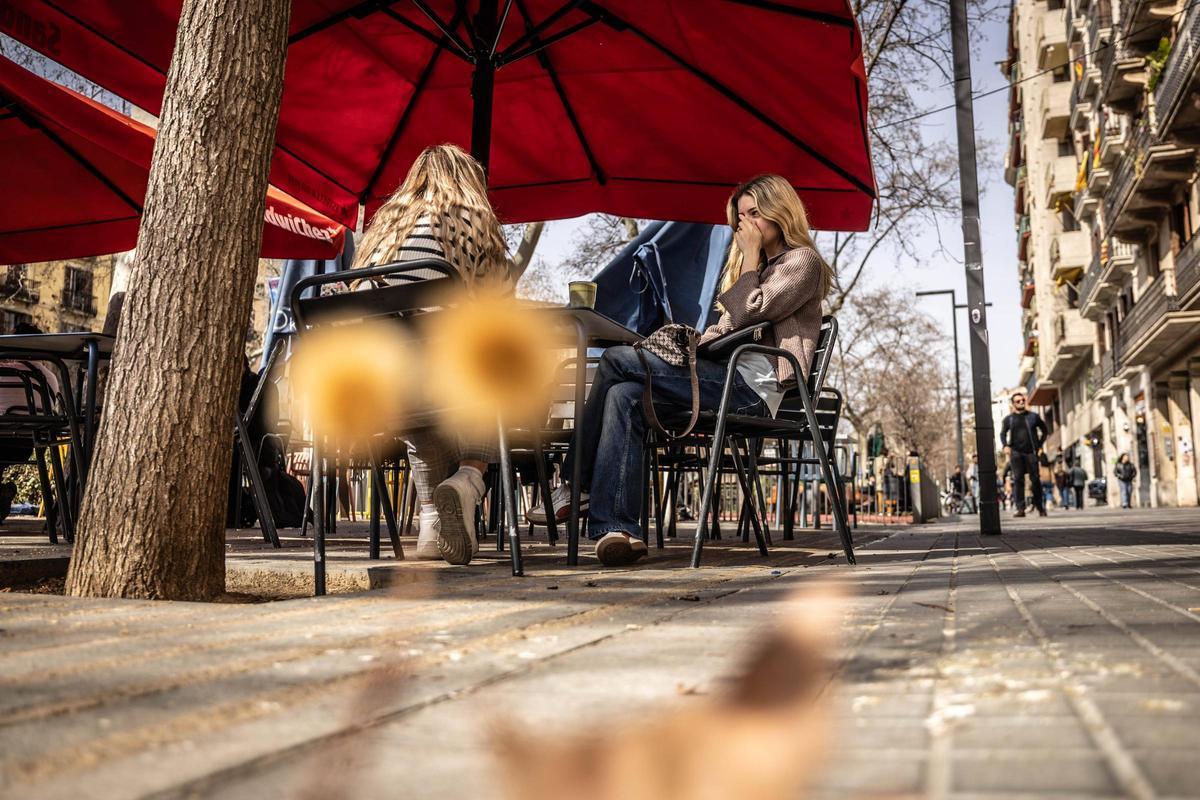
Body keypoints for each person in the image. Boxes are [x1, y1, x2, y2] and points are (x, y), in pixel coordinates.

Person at [534, 174, 830, 566]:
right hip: (723, 378)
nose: (746, 226)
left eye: (755, 213)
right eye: (741, 218)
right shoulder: (752, 270)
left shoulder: (800, 262)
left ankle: (574, 485)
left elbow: (750, 311)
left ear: (781, 210)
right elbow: (729, 327)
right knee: (624, 395)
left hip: (751, 391)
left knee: (614, 360)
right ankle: (617, 529)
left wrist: (750, 261)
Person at [352, 143, 511, 565]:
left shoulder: (383, 228)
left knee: (422, 423)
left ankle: (429, 525)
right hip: (449, 370)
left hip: (380, 379)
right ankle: (468, 479)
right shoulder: (474, 223)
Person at [999, 389, 1048, 517]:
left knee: (1035, 480)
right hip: (1016, 453)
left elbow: (1044, 430)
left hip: (1031, 453)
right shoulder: (1009, 419)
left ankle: (1040, 507)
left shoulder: (1033, 417)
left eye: (1022, 400)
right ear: (1013, 404)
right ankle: (1020, 508)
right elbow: (1002, 433)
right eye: (1018, 401)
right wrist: (1005, 446)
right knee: (1018, 480)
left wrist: (1039, 445)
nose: (1021, 402)